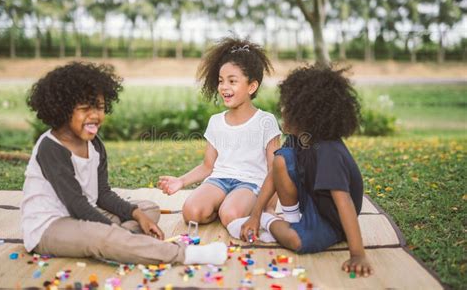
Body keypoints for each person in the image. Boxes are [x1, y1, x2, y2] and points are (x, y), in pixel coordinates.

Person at [21, 62, 227, 265]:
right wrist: (113, 229)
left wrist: (137, 215)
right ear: (62, 110)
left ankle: (122, 242)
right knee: (104, 235)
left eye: (100, 108)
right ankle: (182, 254)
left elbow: (102, 194)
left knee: (148, 210)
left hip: (83, 214)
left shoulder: (94, 144)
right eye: (85, 109)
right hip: (50, 226)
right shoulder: (52, 148)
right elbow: (76, 205)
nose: (94, 115)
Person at [238, 65, 374, 277]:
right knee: (280, 160)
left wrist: (357, 253)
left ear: (306, 114)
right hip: (313, 197)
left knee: (296, 241)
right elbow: (274, 174)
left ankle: (271, 220)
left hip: (332, 218)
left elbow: (343, 202)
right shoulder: (299, 137)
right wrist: (253, 216)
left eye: (287, 107)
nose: (282, 111)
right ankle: (291, 221)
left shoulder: (328, 151)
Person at [158, 37, 281, 238]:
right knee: (191, 212)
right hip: (218, 180)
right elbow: (208, 166)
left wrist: (268, 210)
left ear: (251, 87)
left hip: (250, 184)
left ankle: (229, 207)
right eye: (221, 81)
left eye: (232, 81)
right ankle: (222, 204)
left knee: (230, 214)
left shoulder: (266, 121)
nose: (224, 87)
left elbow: (274, 170)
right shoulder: (216, 121)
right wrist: (181, 181)